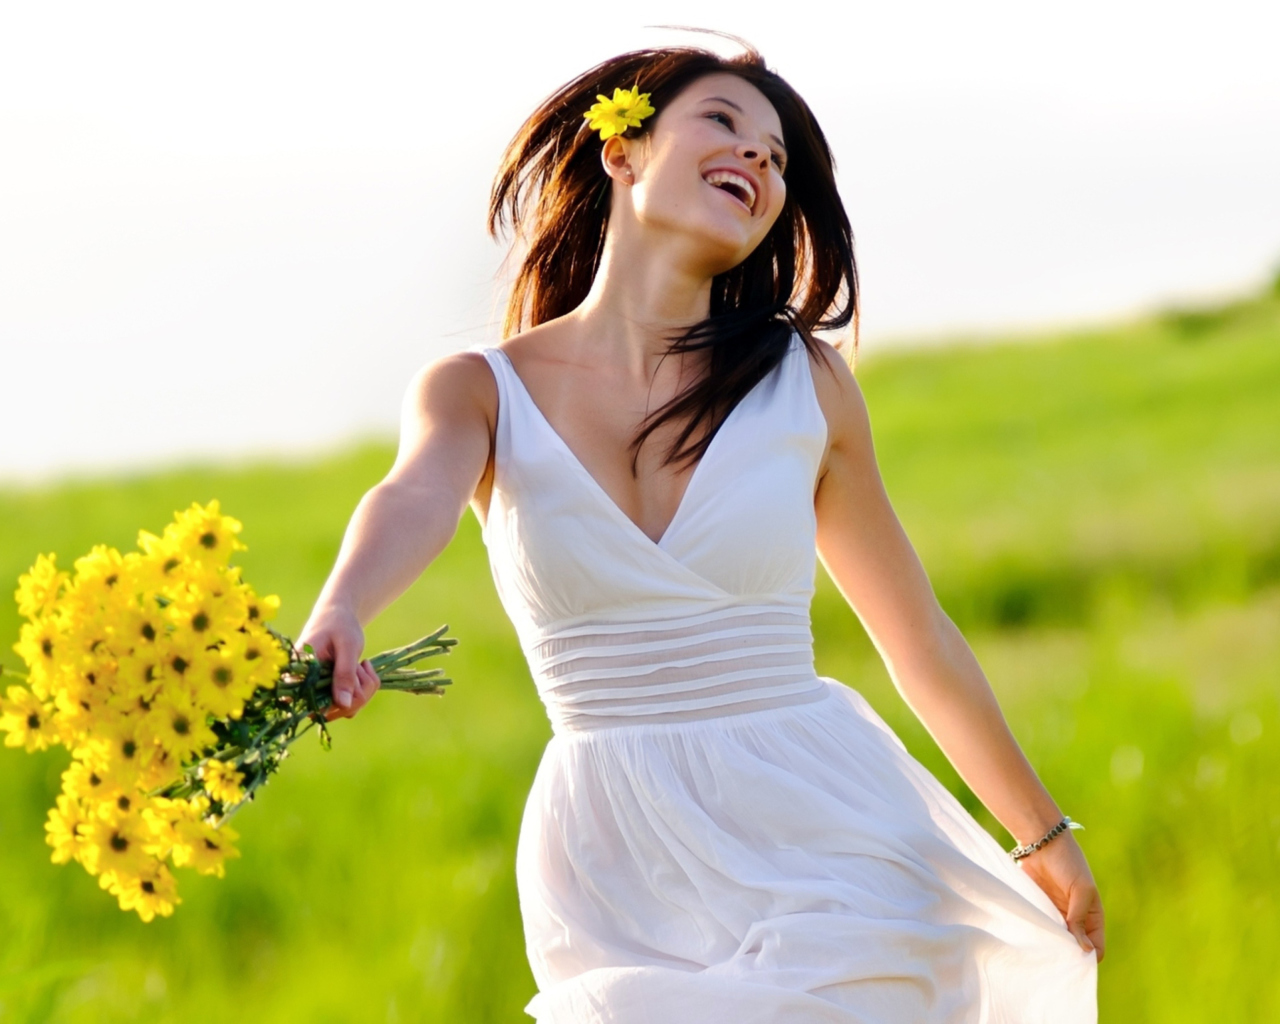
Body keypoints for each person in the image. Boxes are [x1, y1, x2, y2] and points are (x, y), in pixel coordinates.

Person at [300, 43, 1104, 1023]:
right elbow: (410, 497)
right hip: (615, 857)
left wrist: (1038, 834)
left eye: (776, 158)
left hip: (823, 826)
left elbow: (919, 639)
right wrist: (342, 604)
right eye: (723, 122)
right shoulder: (477, 390)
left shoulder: (802, 386)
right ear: (622, 150)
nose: (758, 160)